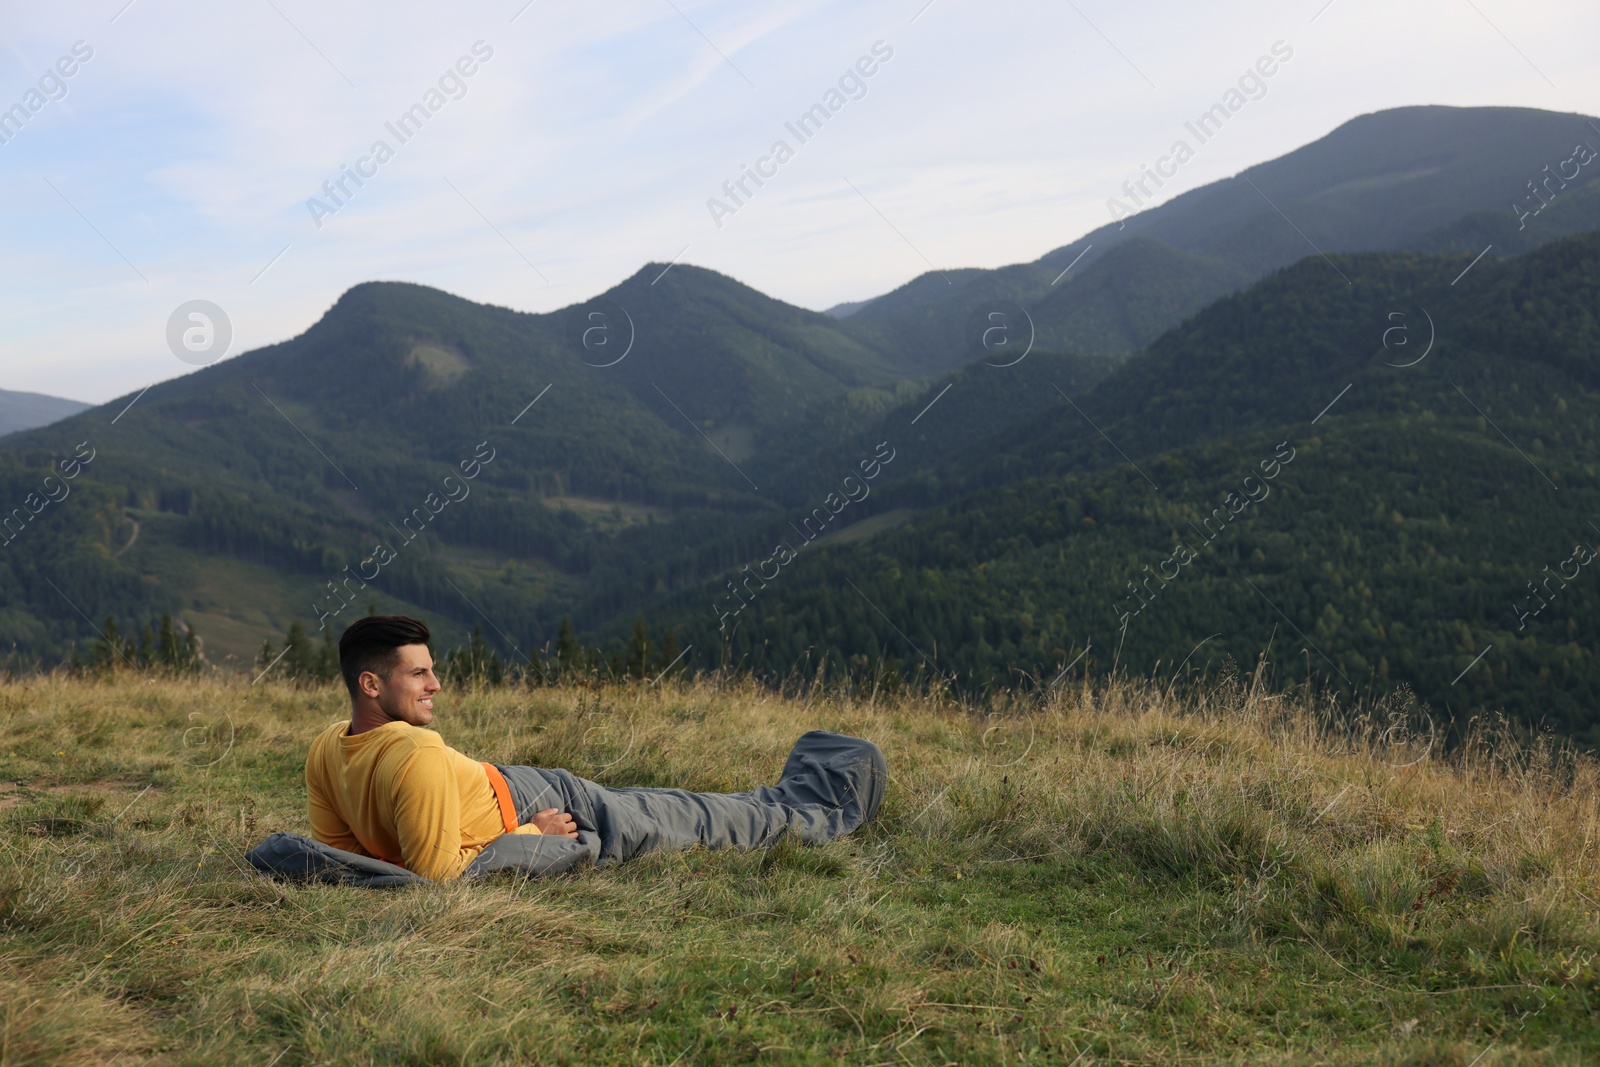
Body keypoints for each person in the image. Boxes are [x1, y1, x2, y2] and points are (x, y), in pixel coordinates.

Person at [303, 615, 885, 883]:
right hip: (538, 806)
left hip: (525, 791)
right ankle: (827, 788)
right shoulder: (415, 754)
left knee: (683, 813)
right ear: (371, 684)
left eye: (432, 670)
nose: (436, 685)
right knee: (693, 819)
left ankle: (819, 793)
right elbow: (437, 881)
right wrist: (534, 836)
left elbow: (348, 859)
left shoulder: (329, 748)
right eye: (419, 674)